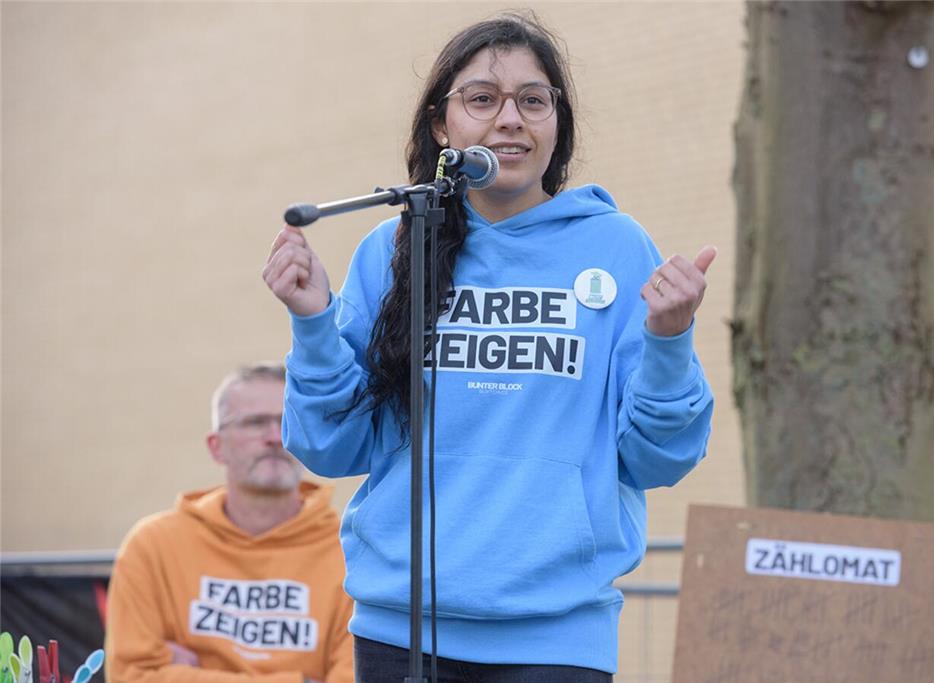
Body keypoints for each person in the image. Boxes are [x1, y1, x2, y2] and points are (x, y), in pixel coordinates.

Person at [262, 13, 715, 681]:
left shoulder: (616, 247)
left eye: (533, 100)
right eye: (483, 99)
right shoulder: (393, 250)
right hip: (398, 630)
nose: (510, 119)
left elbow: (658, 458)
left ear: (556, 124)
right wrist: (313, 325)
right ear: (441, 126)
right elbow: (332, 446)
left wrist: (669, 340)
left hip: (556, 639)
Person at [105, 363, 355, 683]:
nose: (275, 437)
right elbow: (130, 676)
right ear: (216, 446)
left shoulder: (350, 549)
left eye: (289, 422)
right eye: (254, 423)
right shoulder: (153, 546)